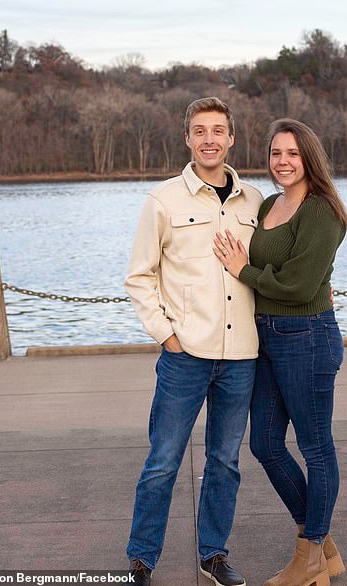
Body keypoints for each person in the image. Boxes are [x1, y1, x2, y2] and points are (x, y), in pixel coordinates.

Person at [124, 97, 263, 586]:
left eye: (218, 130)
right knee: (163, 462)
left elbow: (268, 269)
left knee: (225, 461)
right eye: (200, 130)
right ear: (187, 138)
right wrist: (167, 335)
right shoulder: (163, 200)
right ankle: (141, 559)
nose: (209, 139)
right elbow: (139, 277)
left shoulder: (255, 202)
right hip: (185, 355)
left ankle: (214, 555)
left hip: (241, 356)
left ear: (231, 138)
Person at [213, 118, 347, 586]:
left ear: (308, 156)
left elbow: (299, 284)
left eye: (292, 153)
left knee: (315, 447)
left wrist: (241, 270)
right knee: (265, 445)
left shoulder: (322, 210)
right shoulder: (270, 204)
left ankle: (309, 559)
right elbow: (277, 270)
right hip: (266, 337)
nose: (283, 162)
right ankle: (322, 543)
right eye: (275, 153)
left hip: (307, 337)